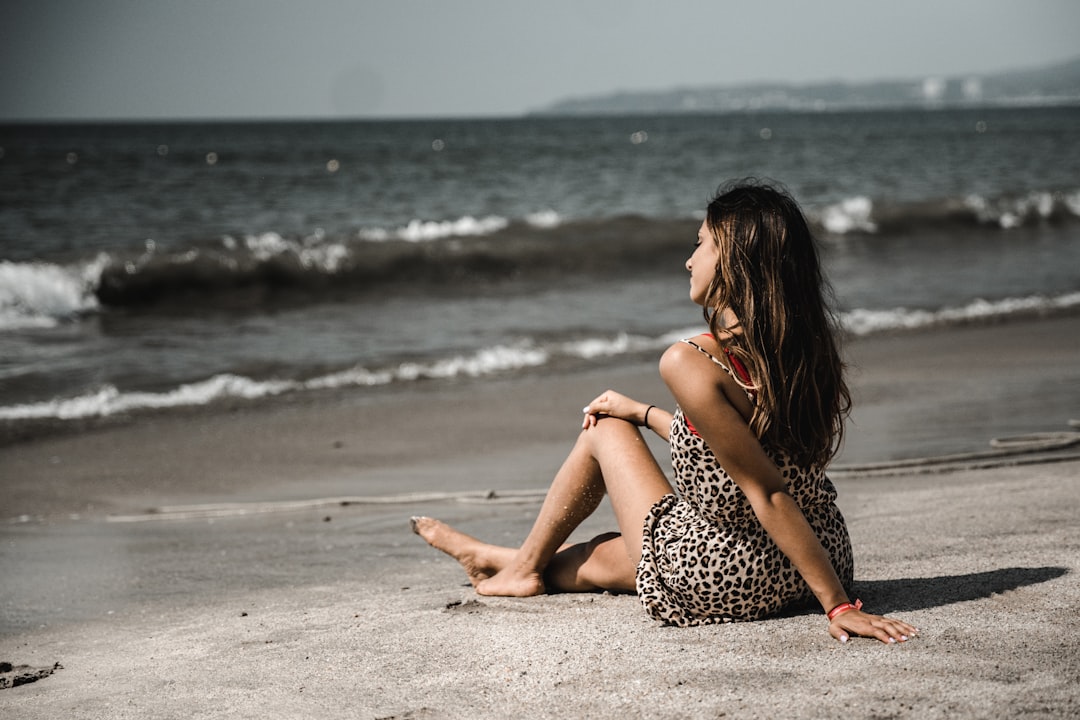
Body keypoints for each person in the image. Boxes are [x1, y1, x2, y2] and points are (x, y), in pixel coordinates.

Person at [412, 180, 918, 644]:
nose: (689, 260)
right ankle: (505, 560)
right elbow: (741, 445)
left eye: (700, 244)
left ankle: (520, 568)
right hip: (821, 552)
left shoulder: (692, 361)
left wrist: (838, 609)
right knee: (614, 541)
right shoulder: (804, 346)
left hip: (732, 568)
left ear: (734, 261)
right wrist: (644, 412)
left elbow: (766, 490)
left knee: (605, 436)